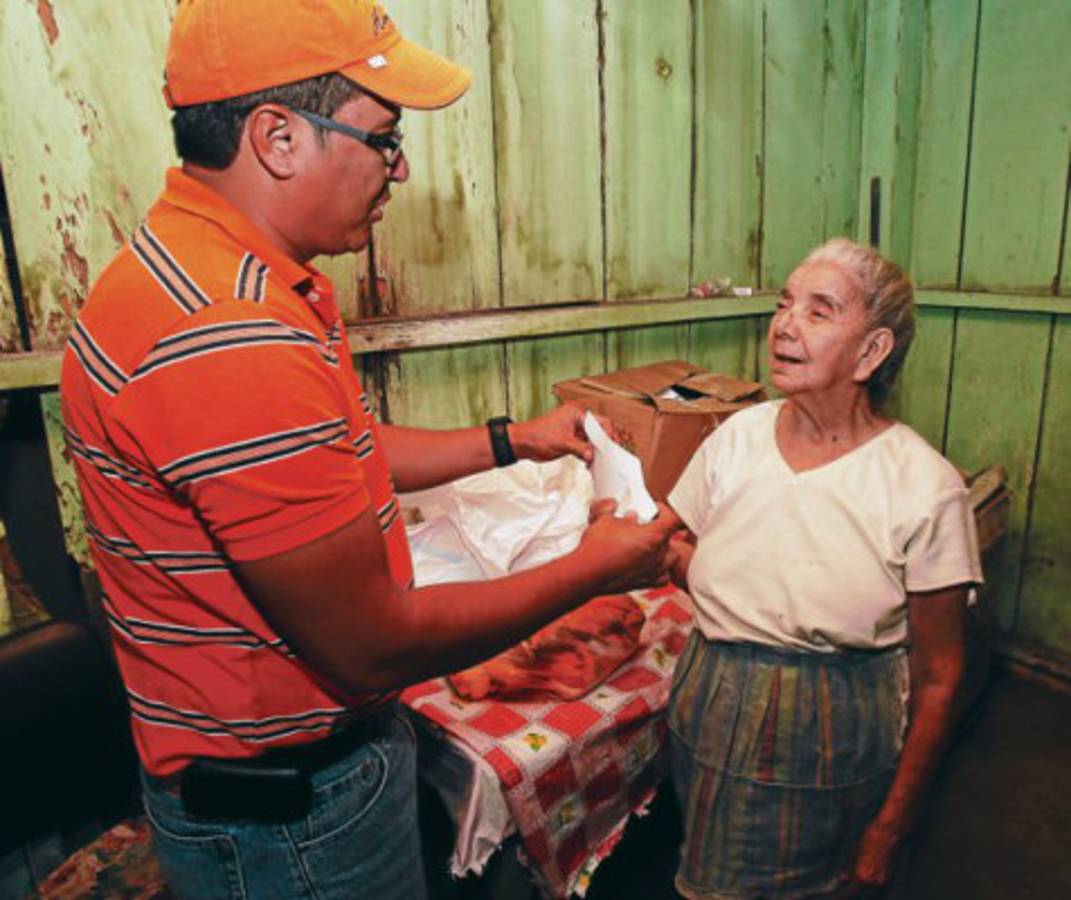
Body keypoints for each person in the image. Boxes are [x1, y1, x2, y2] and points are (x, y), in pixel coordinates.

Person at [58, 2, 678, 898]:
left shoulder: (206, 269)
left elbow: (330, 454)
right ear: (277, 137)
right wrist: (595, 565)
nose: (401, 167)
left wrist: (509, 441)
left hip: (275, 792)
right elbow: (371, 646)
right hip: (293, 822)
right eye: (383, 138)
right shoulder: (230, 333)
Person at [663, 238, 983, 898]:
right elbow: (690, 555)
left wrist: (889, 828)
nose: (783, 324)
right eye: (783, 303)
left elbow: (939, 676)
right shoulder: (736, 437)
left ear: (871, 352)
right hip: (709, 698)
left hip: (827, 728)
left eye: (818, 310)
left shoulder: (922, 487)